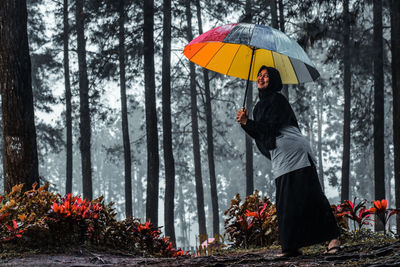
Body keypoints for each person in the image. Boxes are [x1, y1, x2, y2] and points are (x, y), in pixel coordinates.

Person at [236, 66, 340, 257]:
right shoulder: (259, 107)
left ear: (273, 80)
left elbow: (271, 128)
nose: (261, 78)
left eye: (266, 76)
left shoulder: (277, 100)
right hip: (280, 157)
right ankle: (291, 246)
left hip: (295, 152)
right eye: (259, 75)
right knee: (286, 200)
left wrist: (247, 123)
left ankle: (333, 238)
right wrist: (246, 124)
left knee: (311, 195)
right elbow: (261, 135)